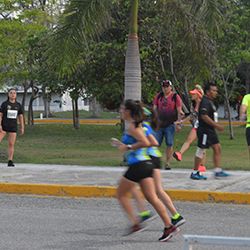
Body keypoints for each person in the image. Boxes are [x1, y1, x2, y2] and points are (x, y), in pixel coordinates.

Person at [113, 99, 180, 241]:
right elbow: (144, 142)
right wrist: (122, 145)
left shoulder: (133, 126)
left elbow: (145, 143)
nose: (120, 111)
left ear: (128, 111)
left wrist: (129, 148)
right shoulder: (138, 126)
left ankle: (135, 224)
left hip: (138, 165)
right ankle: (169, 227)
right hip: (147, 164)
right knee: (152, 198)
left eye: (122, 109)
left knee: (120, 194)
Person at [130, 106, 186, 227]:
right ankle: (176, 216)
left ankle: (145, 213)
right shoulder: (148, 126)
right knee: (157, 190)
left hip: (149, 159)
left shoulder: (141, 127)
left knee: (131, 184)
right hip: (155, 158)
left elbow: (144, 143)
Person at [190, 83, 230, 180]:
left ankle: (217, 170)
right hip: (204, 130)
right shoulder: (204, 102)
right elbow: (204, 116)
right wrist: (216, 125)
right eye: (213, 90)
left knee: (218, 148)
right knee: (201, 150)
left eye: (216, 90)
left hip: (210, 130)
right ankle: (194, 172)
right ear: (208, 92)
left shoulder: (209, 102)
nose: (215, 93)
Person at [173, 85, 206, 172]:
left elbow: (193, 115)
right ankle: (179, 153)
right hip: (198, 124)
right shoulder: (197, 103)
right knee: (189, 139)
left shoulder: (202, 103)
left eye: (194, 94)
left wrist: (181, 122)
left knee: (202, 146)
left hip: (204, 126)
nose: (192, 95)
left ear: (198, 95)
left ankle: (202, 165)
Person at [153, 80, 183, 170]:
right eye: (164, 87)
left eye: (167, 87)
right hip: (159, 124)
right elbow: (154, 109)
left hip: (170, 124)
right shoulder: (158, 96)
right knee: (155, 144)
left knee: (169, 144)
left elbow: (179, 111)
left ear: (171, 87)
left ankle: (167, 163)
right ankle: (156, 162)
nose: (165, 89)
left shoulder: (175, 97)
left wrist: (178, 124)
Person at [0, 88, 24, 167]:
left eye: (14, 93)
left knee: (11, 144)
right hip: (4, 126)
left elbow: (20, 116)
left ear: (16, 95)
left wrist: (22, 127)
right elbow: (0, 115)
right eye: (11, 93)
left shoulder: (18, 105)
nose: (12, 94)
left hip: (13, 127)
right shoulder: (4, 104)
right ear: (8, 94)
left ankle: (10, 160)